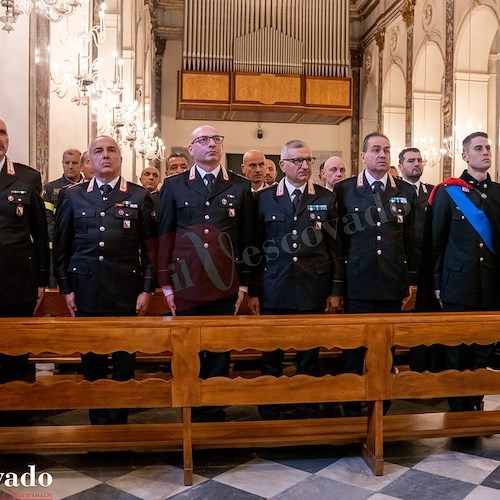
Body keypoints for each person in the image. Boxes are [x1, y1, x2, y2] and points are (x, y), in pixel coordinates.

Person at [53, 135, 157, 425]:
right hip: (85, 290)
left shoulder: (138, 196)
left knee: (124, 363)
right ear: (89, 160)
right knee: (93, 364)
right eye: (98, 151)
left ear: (121, 159)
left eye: (112, 150)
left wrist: (147, 289)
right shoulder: (72, 195)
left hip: (126, 291)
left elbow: (151, 250)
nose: (105, 155)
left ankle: (119, 424)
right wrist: (66, 289)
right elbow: (61, 247)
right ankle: (98, 424)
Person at [157, 125, 256, 422]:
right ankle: (189, 403)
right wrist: (166, 285)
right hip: (186, 281)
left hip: (225, 283)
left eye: (216, 139)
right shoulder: (174, 185)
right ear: (191, 149)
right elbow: (165, 235)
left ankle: (213, 407)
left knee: (218, 347)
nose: (211, 144)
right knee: (188, 348)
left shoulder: (239, 186)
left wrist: (245, 285)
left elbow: (249, 238)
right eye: (203, 140)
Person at [248, 140, 343, 420]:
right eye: (298, 161)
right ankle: (270, 409)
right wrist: (253, 290)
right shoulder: (264, 198)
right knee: (271, 356)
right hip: (273, 287)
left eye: (309, 161)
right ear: (283, 165)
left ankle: (307, 410)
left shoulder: (326, 198)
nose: (305, 166)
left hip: (312, 287)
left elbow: (335, 247)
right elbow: (255, 247)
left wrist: (335, 289)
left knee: (309, 356)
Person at [334, 131, 418, 416]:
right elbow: (339, 242)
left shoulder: (404, 191)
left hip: (392, 281)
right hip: (357, 281)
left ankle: (382, 403)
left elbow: (411, 239)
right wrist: (338, 286)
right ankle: (350, 402)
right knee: (354, 348)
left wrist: (411, 280)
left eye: (386, 150)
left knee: (386, 350)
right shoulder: (345, 190)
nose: (382, 155)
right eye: (376, 150)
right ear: (364, 156)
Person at [429, 131, 500, 412]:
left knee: (484, 349)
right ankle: (459, 409)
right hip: (457, 282)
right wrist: (437, 281)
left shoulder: (497, 193)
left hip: (491, 283)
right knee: (456, 350)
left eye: (488, 148)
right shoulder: (448, 192)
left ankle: (475, 403)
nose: (485, 152)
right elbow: (436, 242)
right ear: (464, 155)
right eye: (479, 148)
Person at [0, 118, 49, 391]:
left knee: (15, 352)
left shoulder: (27, 177)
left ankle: (15, 412)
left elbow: (40, 234)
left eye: (3, 132)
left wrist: (42, 279)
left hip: (17, 282)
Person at [43, 149, 83, 287]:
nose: (70, 166)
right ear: (62, 164)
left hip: (81, 249)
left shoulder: (89, 188)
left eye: (75, 163)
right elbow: (47, 220)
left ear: (81, 165)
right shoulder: (49, 188)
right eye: (67, 162)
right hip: (56, 249)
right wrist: (61, 242)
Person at [398, 147, 433, 267]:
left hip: (426, 256)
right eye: (411, 161)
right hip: (401, 257)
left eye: (419, 160)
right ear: (400, 167)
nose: (417, 164)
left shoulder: (433, 191)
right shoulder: (393, 192)